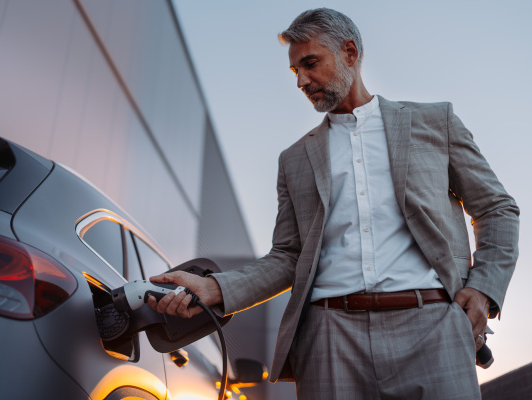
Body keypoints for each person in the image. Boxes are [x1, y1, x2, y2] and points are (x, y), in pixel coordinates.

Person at [148, 8, 519, 399]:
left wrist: (483, 290)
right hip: (329, 339)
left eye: (310, 64)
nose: (302, 81)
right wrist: (214, 289)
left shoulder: (434, 122)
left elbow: (496, 208)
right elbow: (289, 256)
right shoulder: (294, 159)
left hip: (433, 327)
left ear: (350, 53)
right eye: (295, 72)